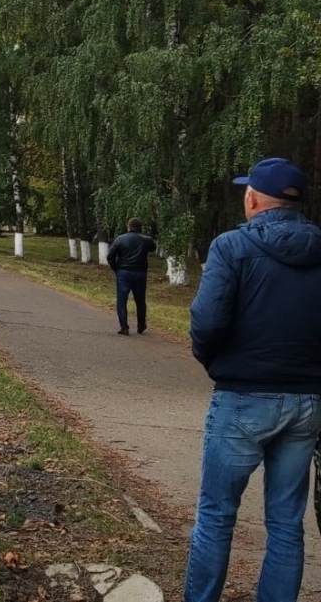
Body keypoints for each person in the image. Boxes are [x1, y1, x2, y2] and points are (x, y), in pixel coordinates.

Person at [185, 157, 321, 602]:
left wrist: (217, 365)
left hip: (243, 396)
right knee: (286, 523)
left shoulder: (230, 247)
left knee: (216, 516)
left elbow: (207, 322)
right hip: (307, 403)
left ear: (252, 197)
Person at [107, 218, 157, 335]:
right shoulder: (146, 240)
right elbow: (153, 248)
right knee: (140, 300)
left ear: (128, 226)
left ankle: (124, 327)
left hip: (123, 272)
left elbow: (110, 256)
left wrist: (116, 268)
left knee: (121, 300)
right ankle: (141, 325)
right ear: (140, 227)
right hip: (140, 272)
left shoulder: (120, 239)